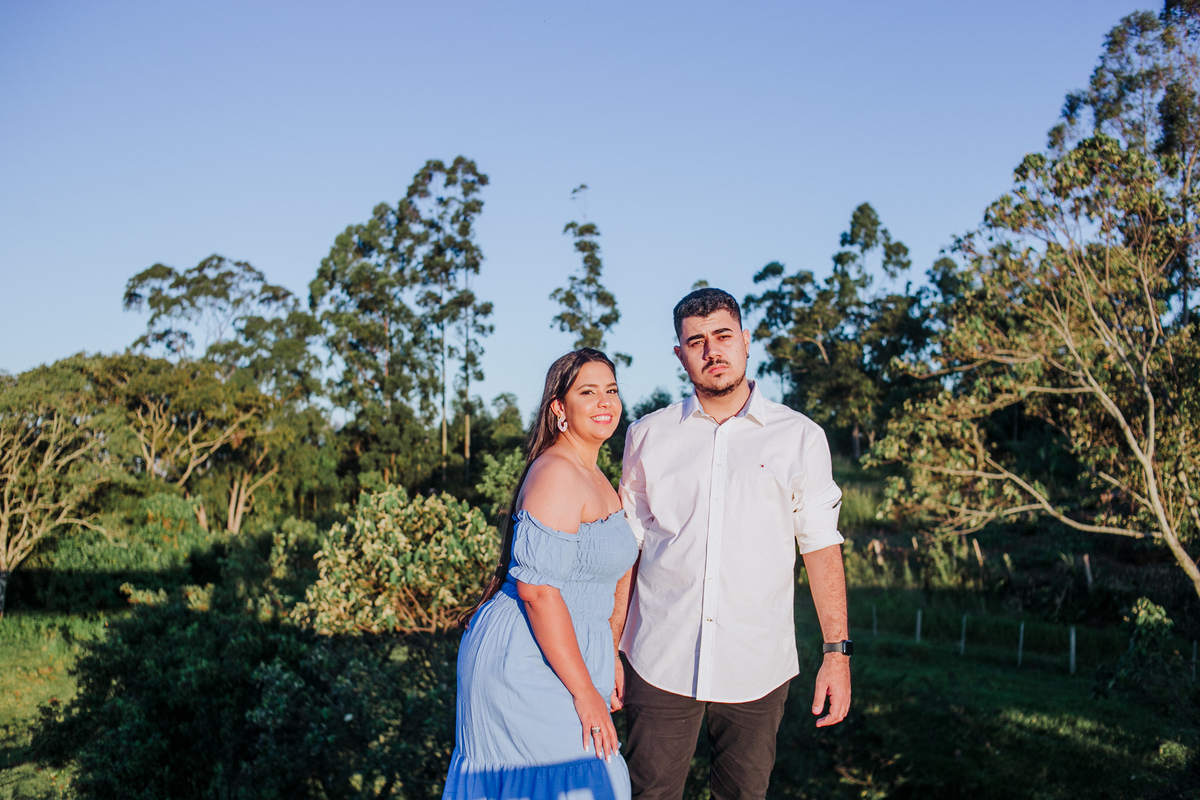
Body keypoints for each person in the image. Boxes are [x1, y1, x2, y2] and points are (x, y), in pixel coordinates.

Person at [616, 288, 852, 800]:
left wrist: (837, 654)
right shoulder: (647, 436)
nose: (712, 351)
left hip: (757, 664)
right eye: (695, 342)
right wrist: (610, 647)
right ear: (680, 355)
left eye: (723, 336)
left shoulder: (800, 437)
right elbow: (627, 548)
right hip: (658, 657)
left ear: (745, 340)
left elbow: (820, 546)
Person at [443, 348, 639, 800]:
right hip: (528, 655)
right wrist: (585, 691)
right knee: (574, 782)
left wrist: (608, 656)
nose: (605, 402)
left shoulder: (594, 473)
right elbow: (536, 591)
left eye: (611, 390)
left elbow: (605, 578)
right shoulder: (556, 472)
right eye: (587, 392)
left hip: (571, 648)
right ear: (559, 408)